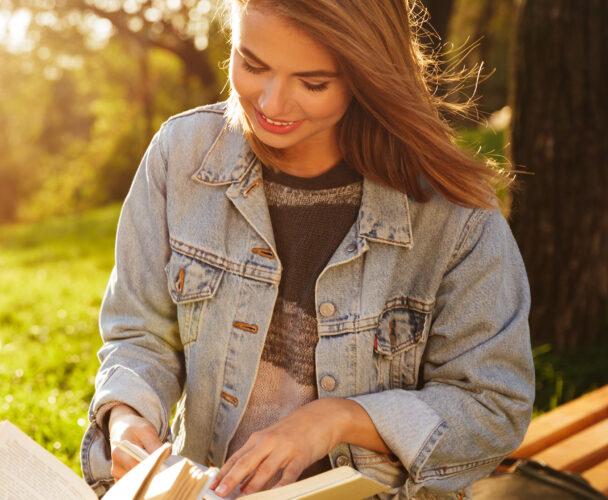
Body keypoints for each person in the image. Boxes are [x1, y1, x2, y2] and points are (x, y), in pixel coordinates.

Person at [80, 0, 534, 498]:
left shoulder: (454, 215)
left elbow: (492, 408)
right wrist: (127, 415)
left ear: (369, 73)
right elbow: (140, 334)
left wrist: (338, 419)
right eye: (252, 64)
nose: (271, 104)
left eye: (313, 83)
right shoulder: (180, 155)